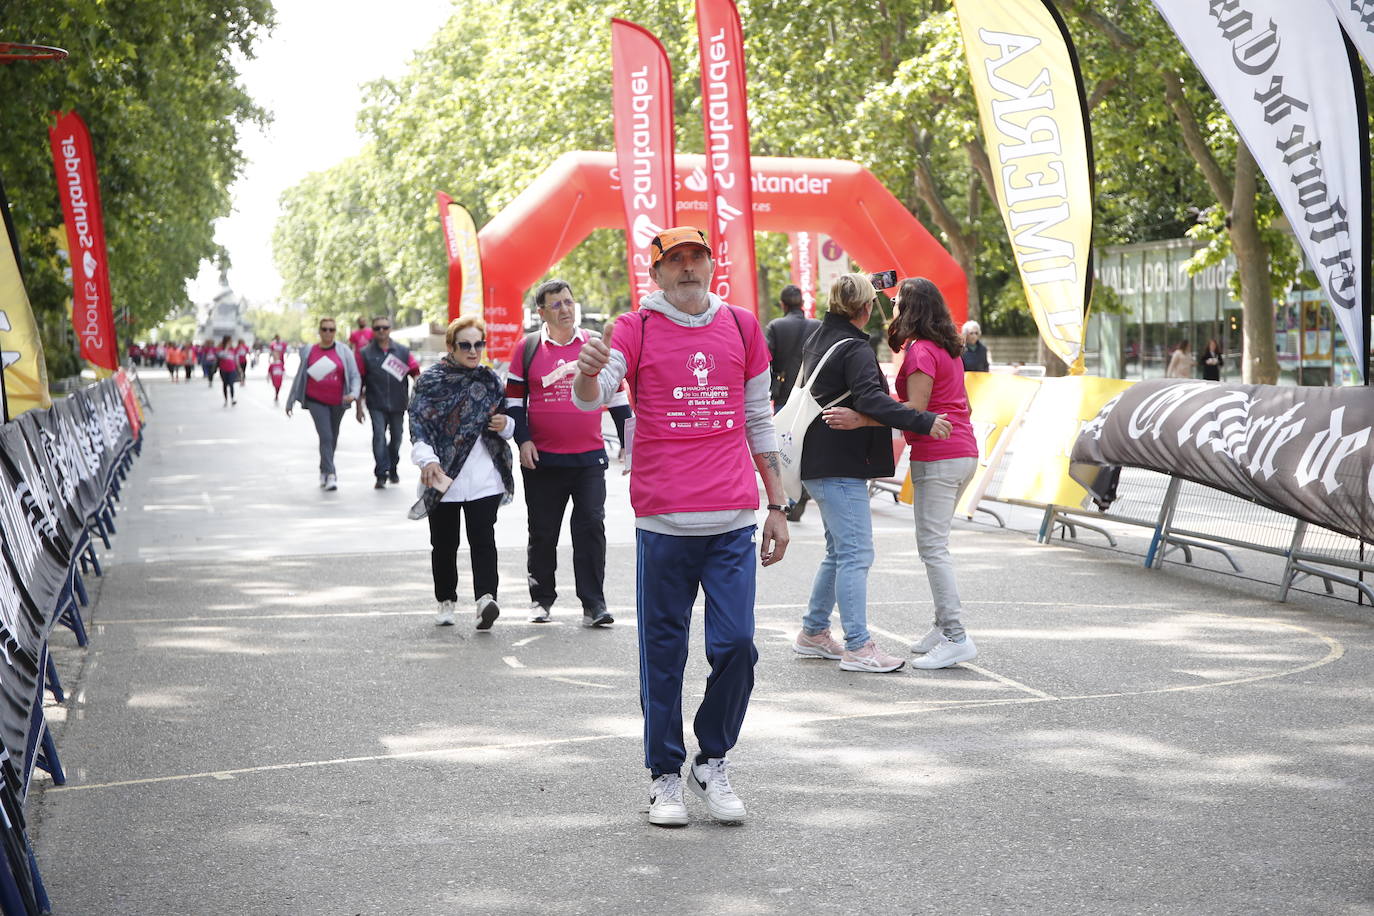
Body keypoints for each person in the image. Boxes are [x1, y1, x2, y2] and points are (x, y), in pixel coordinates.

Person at [573, 226, 789, 828]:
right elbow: (596, 396)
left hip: (732, 522)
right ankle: (665, 776)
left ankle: (711, 759)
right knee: (662, 656)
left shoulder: (744, 326)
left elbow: (758, 419)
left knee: (738, 647)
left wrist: (777, 504)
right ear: (657, 272)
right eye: (675, 261)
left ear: (712, 265)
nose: (688, 269)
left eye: (697, 258)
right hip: (664, 523)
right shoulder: (633, 328)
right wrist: (587, 374)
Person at [793, 274, 951, 673]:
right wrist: (921, 418)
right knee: (856, 554)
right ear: (866, 308)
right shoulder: (855, 347)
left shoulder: (817, 338)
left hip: (817, 460)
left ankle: (813, 632)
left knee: (839, 552)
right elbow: (870, 398)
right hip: (839, 463)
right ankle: (858, 646)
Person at [505, 280, 631, 627]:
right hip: (542, 459)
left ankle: (594, 604)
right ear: (541, 312)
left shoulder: (592, 343)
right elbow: (514, 402)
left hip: (589, 458)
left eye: (568, 302)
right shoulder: (527, 348)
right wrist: (524, 440)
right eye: (556, 304)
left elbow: (617, 395)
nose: (564, 309)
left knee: (591, 527)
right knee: (543, 532)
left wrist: (629, 442)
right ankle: (541, 599)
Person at [881, 278, 980, 670]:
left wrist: (872, 404)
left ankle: (956, 635)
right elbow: (963, 405)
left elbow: (915, 411)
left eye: (897, 303)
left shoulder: (921, 352)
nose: (892, 309)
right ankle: (943, 628)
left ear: (911, 309)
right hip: (962, 452)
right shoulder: (948, 349)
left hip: (939, 456)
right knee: (938, 545)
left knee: (933, 549)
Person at [409, 315, 514, 630]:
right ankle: (446, 599)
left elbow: (509, 420)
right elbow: (418, 427)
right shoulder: (430, 382)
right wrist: (427, 460)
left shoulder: (491, 380)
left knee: (483, 539)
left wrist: (505, 425)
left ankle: (486, 599)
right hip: (444, 478)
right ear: (451, 347)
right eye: (465, 345)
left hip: (484, 478)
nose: (473, 351)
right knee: (444, 544)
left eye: (478, 344)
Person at [285, 318, 361, 491]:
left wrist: (353, 394)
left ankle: (323, 469)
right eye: (324, 329)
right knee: (325, 436)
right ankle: (331, 474)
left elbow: (355, 375)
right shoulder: (310, 351)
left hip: (339, 402)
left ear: (335, 332)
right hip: (316, 401)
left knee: (332, 437)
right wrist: (290, 402)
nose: (328, 333)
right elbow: (299, 377)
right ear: (319, 331)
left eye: (331, 330)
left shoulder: (344, 351)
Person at [355, 316, 420, 488]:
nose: (381, 331)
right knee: (378, 437)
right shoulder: (365, 353)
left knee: (397, 438)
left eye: (384, 327)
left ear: (390, 329)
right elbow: (359, 380)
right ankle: (381, 473)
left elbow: (415, 372)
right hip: (376, 402)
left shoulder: (402, 351)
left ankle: (392, 466)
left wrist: (422, 394)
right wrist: (358, 408)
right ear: (373, 331)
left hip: (398, 403)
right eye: (377, 328)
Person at [215, 334, 240, 406]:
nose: (231, 343)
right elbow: (221, 356)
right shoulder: (220, 349)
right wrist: (226, 348)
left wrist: (239, 368)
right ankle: (226, 400)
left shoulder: (233, 349)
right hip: (223, 369)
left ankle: (232, 399)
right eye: (229, 341)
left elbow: (236, 359)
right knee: (225, 384)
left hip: (232, 369)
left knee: (231, 384)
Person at [267, 335, 288, 403]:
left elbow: (285, 351)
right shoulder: (273, 344)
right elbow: (271, 352)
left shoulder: (282, 344)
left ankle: (277, 393)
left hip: (281, 361)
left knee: (279, 378)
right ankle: (276, 391)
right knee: (275, 380)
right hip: (274, 361)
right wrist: (270, 358)